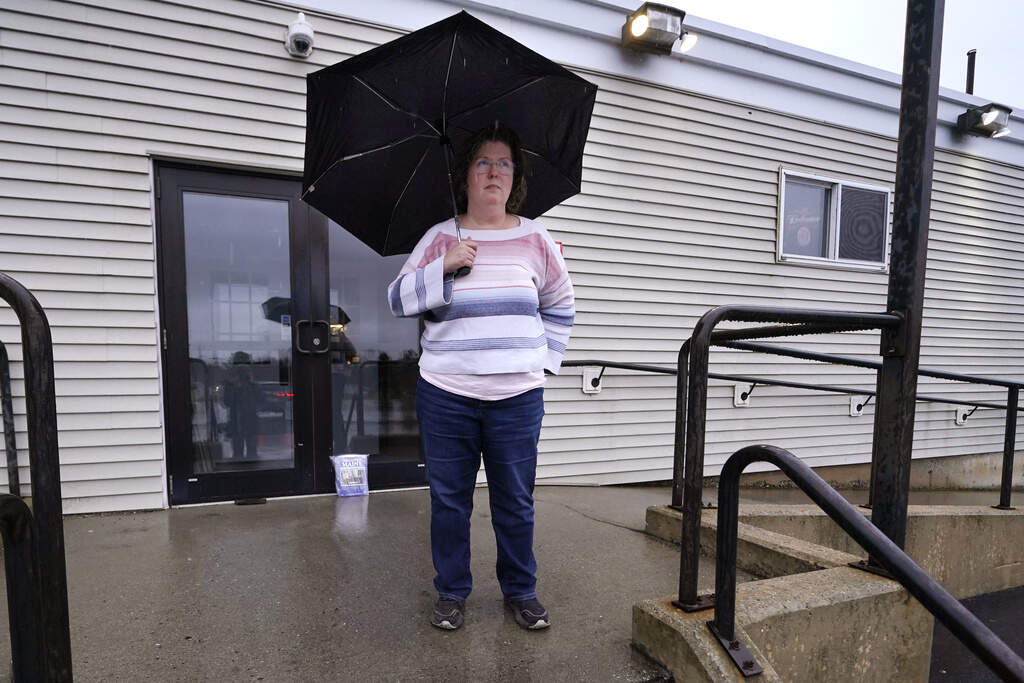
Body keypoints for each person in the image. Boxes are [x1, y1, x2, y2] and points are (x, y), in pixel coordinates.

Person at [387, 122, 575, 631]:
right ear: (465, 174)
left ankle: (521, 590)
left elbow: (560, 307)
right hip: (446, 394)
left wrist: (544, 362)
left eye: (504, 163)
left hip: (517, 396)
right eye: (483, 163)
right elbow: (397, 299)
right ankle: (451, 592)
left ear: (516, 178)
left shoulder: (536, 239)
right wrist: (442, 266)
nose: (494, 172)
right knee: (449, 502)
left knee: (514, 501)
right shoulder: (439, 237)